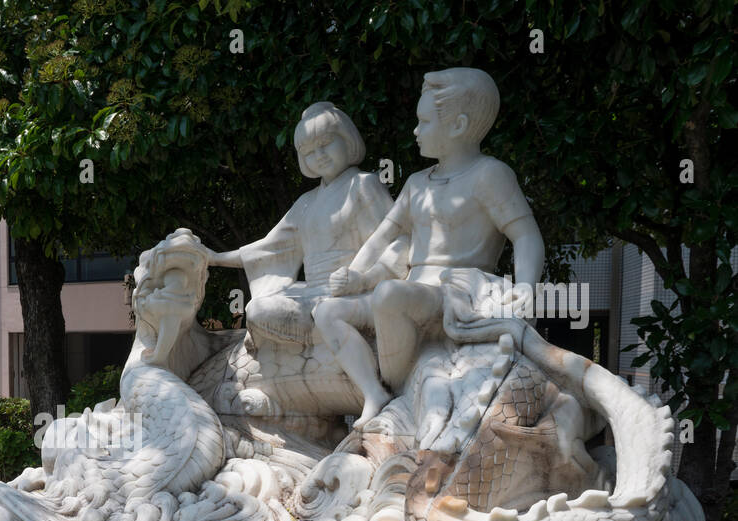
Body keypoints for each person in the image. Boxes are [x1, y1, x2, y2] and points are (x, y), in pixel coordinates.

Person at [318, 67, 544, 423]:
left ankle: (400, 390)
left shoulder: (490, 175)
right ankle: (376, 393)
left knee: (389, 295)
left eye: (424, 122)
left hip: (456, 292)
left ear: (457, 126)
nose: (415, 131)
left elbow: (526, 234)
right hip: (412, 289)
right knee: (327, 312)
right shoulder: (416, 183)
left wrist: (527, 288)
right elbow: (382, 236)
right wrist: (355, 275)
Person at [201, 101, 406, 417]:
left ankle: (372, 391)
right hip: (311, 293)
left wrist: (364, 277)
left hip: (354, 288)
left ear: (347, 139)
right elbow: (268, 248)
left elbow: (394, 241)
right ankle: (315, 342)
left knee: (327, 311)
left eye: (326, 143)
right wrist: (214, 258)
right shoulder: (306, 202)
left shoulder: (364, 185)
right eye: (309, 151)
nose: (319, 155)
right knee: (257, 308)